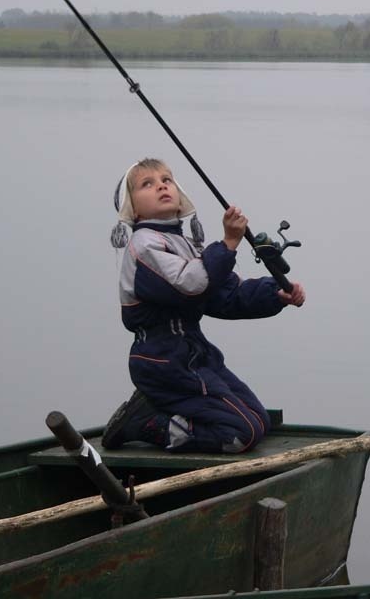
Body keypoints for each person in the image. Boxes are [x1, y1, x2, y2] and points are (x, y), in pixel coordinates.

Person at [102, 158, 305, 453]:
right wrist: (228, 243)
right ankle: (147, 423)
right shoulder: (144, 246)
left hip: (193, 355)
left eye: (167, 179)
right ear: (131, 209)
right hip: (162, 362)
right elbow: (191, 284)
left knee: (259, 421)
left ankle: (159, 408)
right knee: (240, 434)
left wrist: (276, 294)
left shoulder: (184, 244)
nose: (161, 185)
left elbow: (225, 297)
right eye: (147, 184)